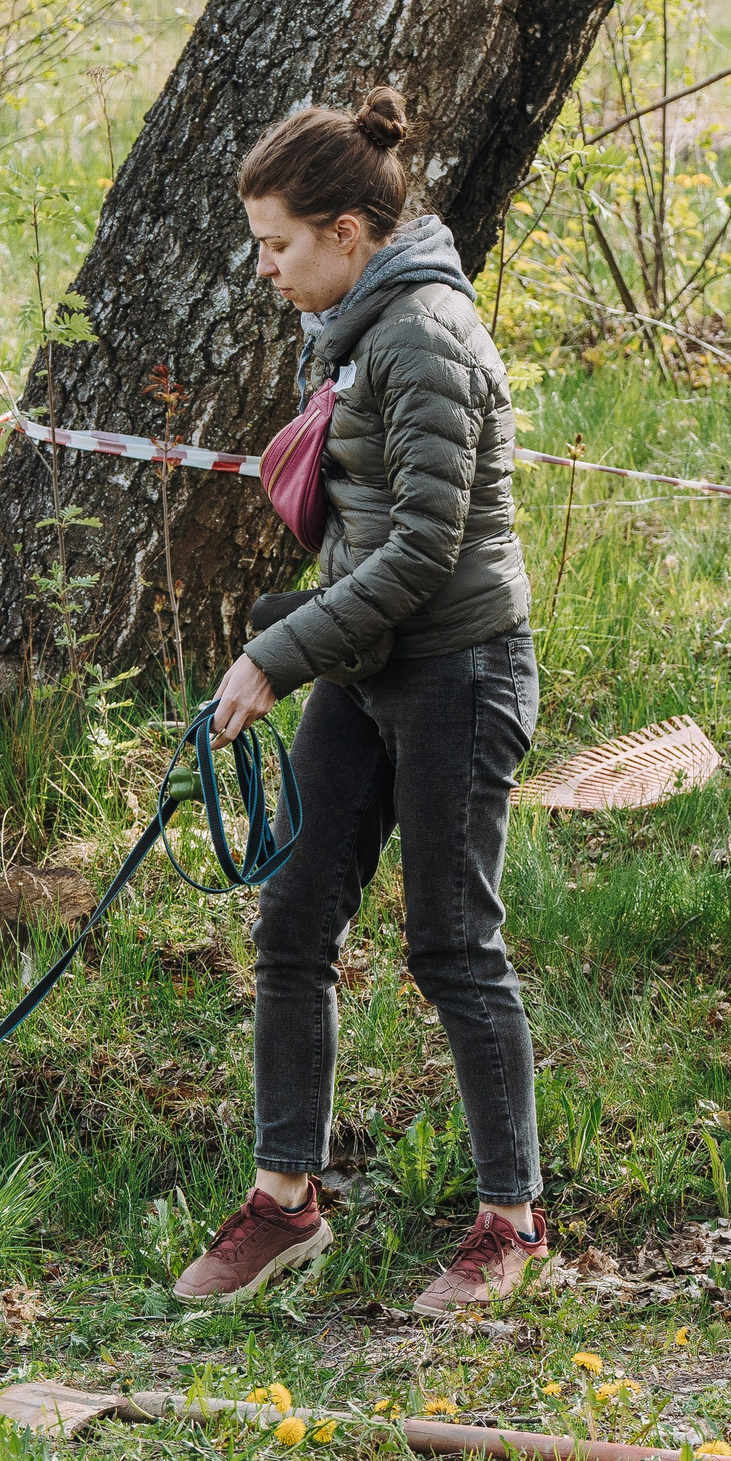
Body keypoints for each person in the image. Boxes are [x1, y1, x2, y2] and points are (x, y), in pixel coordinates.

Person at [172, 86, 548, 1318]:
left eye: (278, 245)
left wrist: (275, 658)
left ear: (346, 231)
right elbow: (365, 546)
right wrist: (278, 636)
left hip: (458, 674)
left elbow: (425, 553)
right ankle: (286, 1203)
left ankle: (510, 1222)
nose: (266, 270)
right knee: (294, 924)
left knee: (450, 944)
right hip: (373, 665)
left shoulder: (423, 333)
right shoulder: (351, 324)